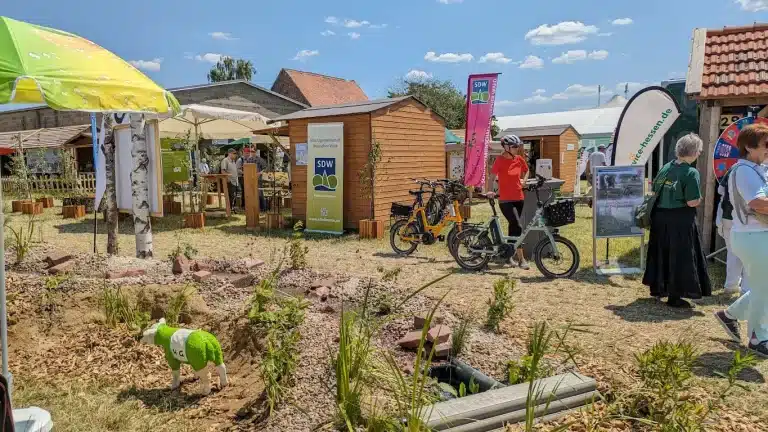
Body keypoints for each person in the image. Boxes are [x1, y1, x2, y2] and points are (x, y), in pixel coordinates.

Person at [714, 124, 768, 356]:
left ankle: (729, 315)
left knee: (762, 286)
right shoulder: (744, 171)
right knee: (763, 288)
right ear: (749, 147)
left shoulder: (755, 168)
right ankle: (757, 337)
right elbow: (756, 203)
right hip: (751, 236)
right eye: (766, 145)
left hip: (755, 234)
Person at [642, 133, 712, 308]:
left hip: (659, 217)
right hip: (679, 219)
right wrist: (700, 200)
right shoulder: (691, 172)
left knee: (660, 253)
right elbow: (692, 201)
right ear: (695, 152)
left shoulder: (666, 167)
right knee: (679, 256)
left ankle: (658, 288)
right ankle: (675, 296)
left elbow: (656, 189)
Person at [488, 134, 530, 269]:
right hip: (505, 199)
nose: (517, 149)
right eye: (514, 146)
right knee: (516, 225)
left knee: (514, 226)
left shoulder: (519, 159)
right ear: (506, 147)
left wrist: (525, 180)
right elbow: (491, 177)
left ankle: (508, 256)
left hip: (519, 197)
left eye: (518, 146)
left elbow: (526, 170)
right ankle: (521, 259)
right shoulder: (499, 160)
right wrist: (490, 190)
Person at [716, 166, 750, 295]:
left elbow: (720, 190)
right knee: (749, 255)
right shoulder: (758, 171)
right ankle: (746, 289)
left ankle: (731, 285)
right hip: (746, 219)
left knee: (733, 252)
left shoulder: (734, 169)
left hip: (727, 216)